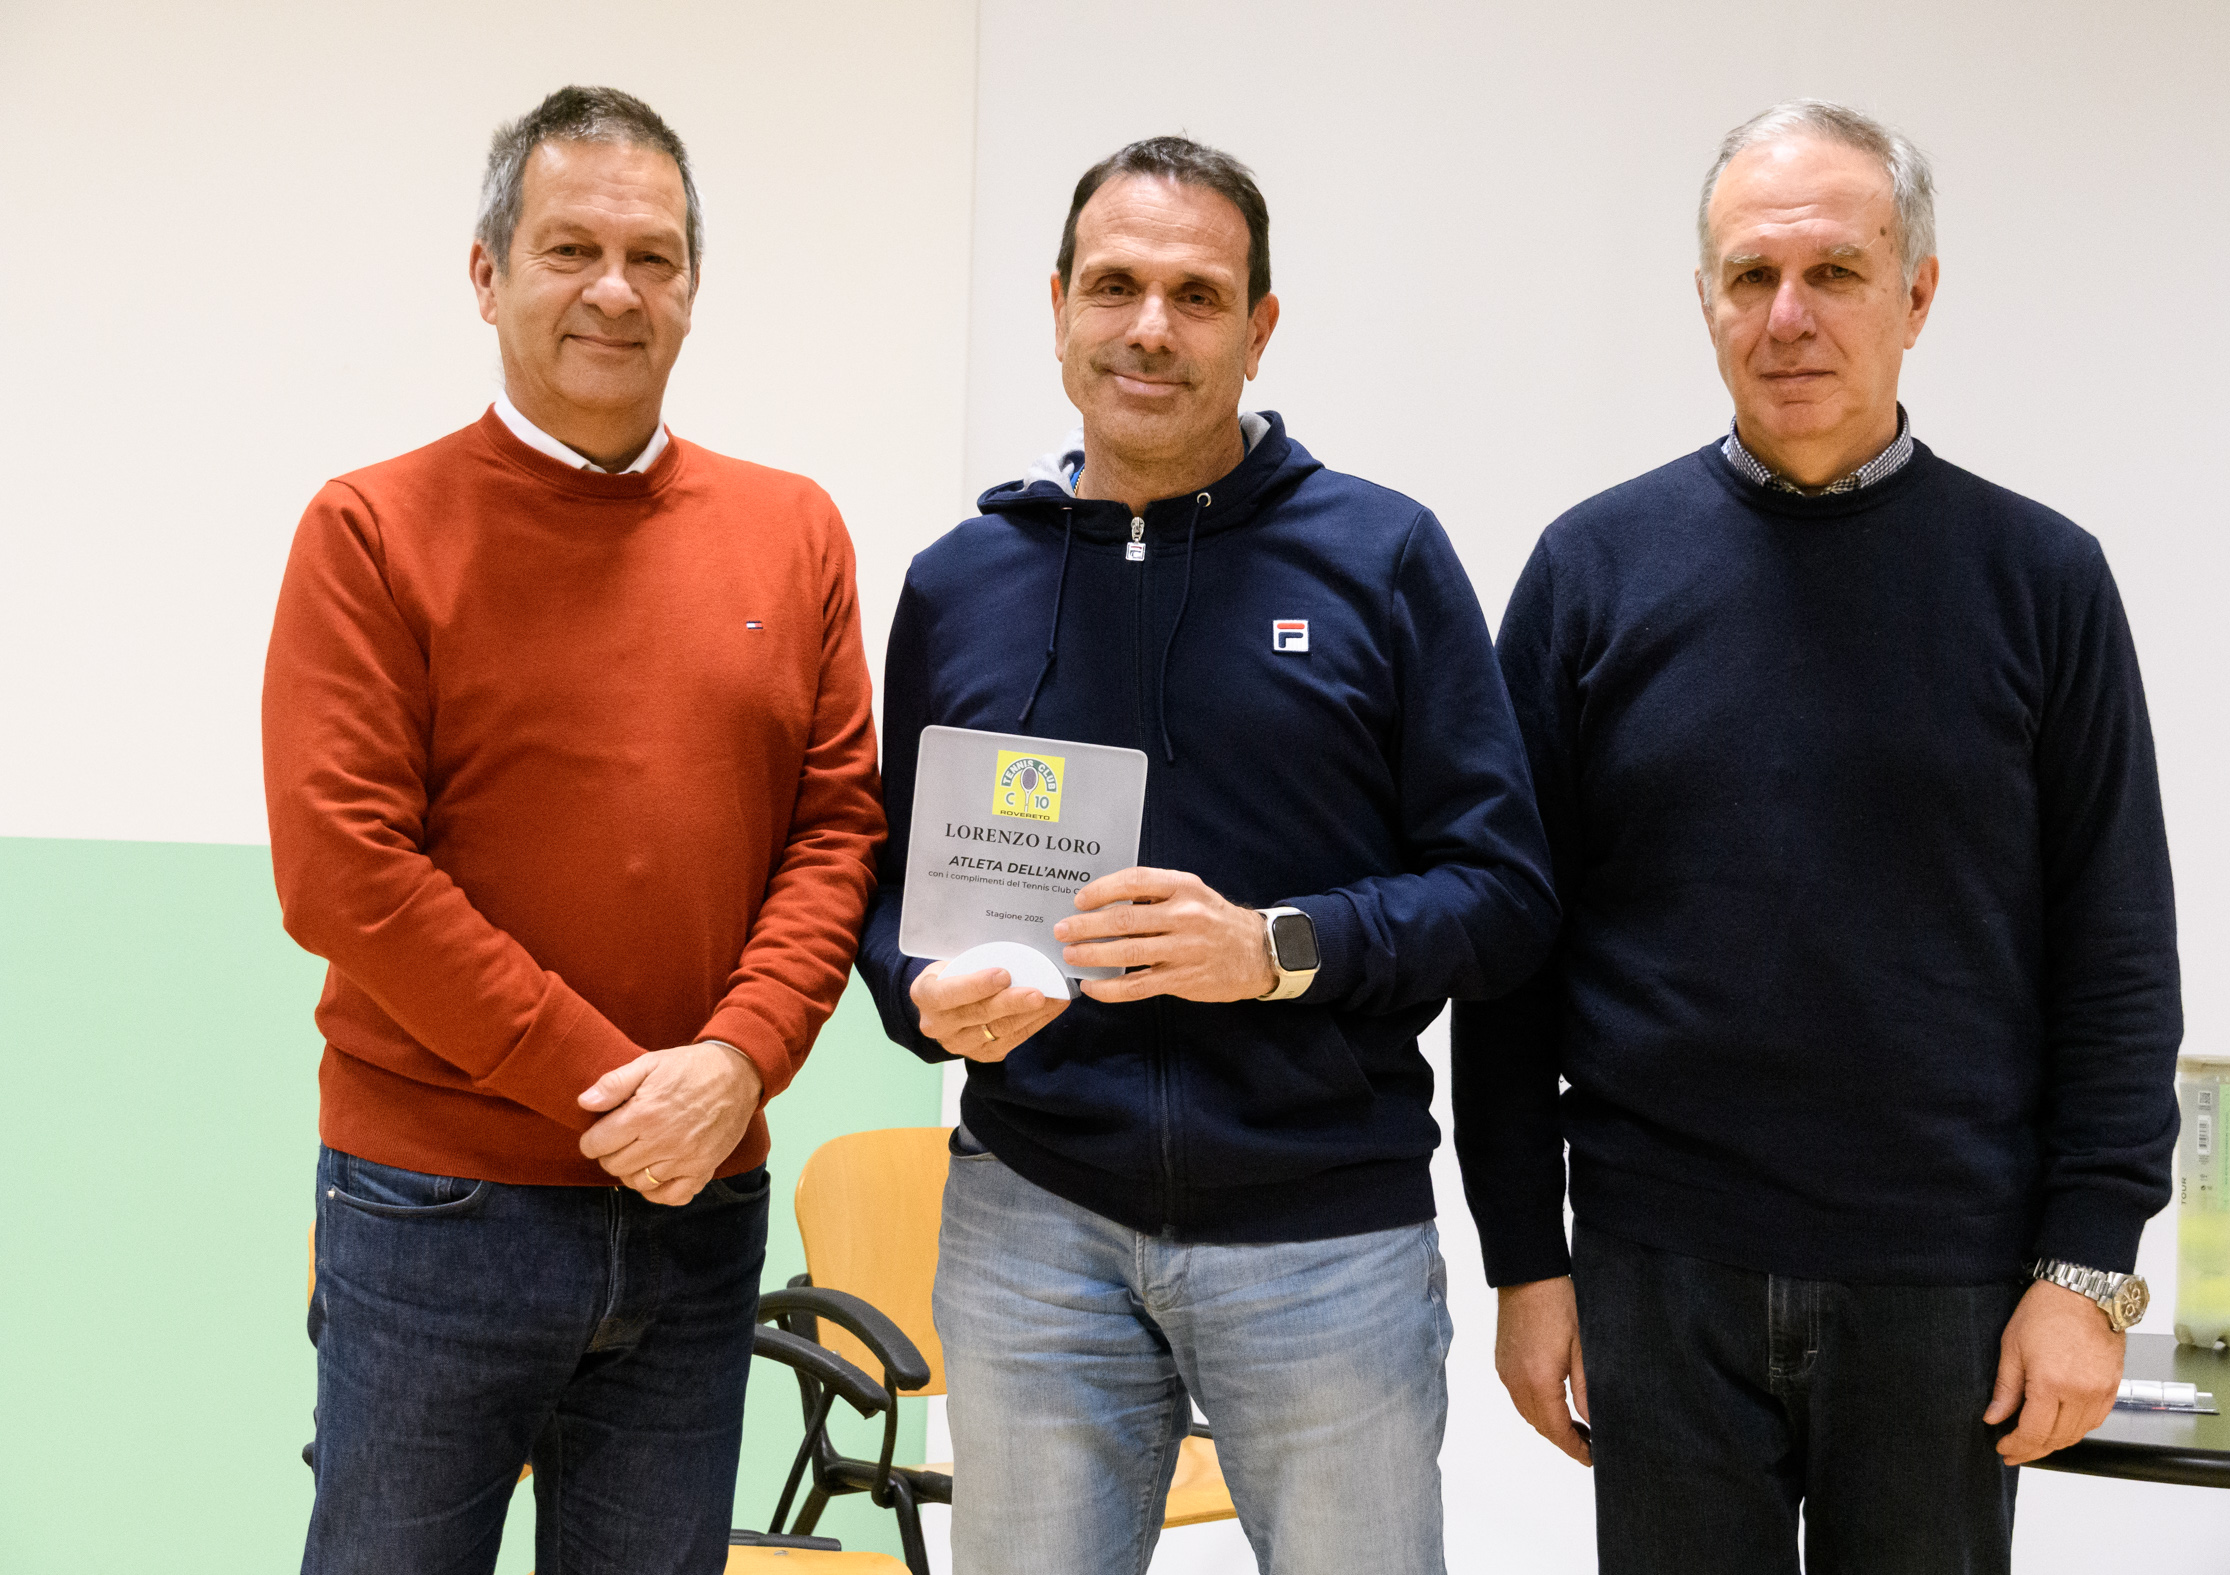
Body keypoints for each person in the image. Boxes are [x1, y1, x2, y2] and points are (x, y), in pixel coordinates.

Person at [1454, 100, 2181, 1573]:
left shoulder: (2041, 581)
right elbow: (1507, 954)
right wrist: (1526, 1259)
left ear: (1917, 294)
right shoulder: (1590, 574)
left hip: (1944, 1280)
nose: (1787, 316)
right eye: (1751, 276)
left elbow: (2114, 951)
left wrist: (2088, 1268)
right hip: (1659, 1270)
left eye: (1835, 272)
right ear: (1706, 299)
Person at [855, 135, 1556, 1575]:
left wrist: (1277, 949)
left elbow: (1501, 897)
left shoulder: (1379, 558)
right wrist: (916, 993)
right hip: (1031, 1222)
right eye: (1114, 286)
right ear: (1058, 305)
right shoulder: (960, 583)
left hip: (1322, 1238)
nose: (1150, 329)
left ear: (1259, 326)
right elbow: (888, 889)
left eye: (1196, 294)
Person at [263, 85, 885, 1574]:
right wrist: (621, 1093)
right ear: (488, 276)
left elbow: (835, 831)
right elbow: (348, 873)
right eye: (571, 250)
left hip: (700, 1209)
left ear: (692, 288)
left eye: (653, 257)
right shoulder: (369, 530)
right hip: (435, 1209)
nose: (616, 290)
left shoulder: (793, 530)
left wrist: (734, 1068)